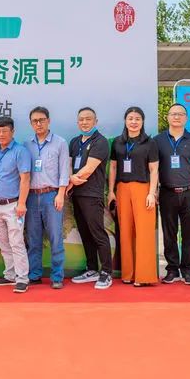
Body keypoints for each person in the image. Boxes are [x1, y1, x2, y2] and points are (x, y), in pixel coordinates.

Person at [154, 103, 190, 285]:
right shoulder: (158, 140)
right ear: (167, 117)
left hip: (189, 192)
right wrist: (154, 191)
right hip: (167, 192)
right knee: (169, 233)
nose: (176, 117)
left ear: (186, 118)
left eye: (180, 114)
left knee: (189, 234)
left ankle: (188, 270)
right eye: (173, 114)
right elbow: (153, 169)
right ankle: (172, 270)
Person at [108, 107, 159, 286]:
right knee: (125, 232)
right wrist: (111, 191)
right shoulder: (117, 142)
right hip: (122, 189)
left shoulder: (150, 143)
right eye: (130, 118)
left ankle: (144, 276)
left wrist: (152, 193)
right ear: (125, 120)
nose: (134, 122)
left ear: (142, 121)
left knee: (144, 232)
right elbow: (113, 167)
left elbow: (154, 170)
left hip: (143, 188)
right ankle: (128, 274)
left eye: (137, 118)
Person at [68, 107, 113, 290]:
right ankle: (92, 269)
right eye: (81, 119)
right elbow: (68, 164)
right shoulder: (74, 142)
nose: (84, 122)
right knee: (85, 233)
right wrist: (70, 178)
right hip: (76, 195)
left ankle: (106, 272)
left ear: (95, 121)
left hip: (92, 194)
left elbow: (88, 169)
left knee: (97, 233)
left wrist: (70, 179)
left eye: (88, 119)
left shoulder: (100, 142)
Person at [24, 106, 69, 290]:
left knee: (55, 237)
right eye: (35, 121)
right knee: (33, 238)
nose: (39, 124)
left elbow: (64, 171)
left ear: (48, 121)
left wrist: (61, 194)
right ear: (31, 124)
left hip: (52, 195)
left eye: (42, 120)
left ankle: (57, 276)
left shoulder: (60, 143)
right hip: (31, 197)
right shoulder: (26, 144)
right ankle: (34, 274)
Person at [0, 116, 32, 293]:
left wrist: (21, 203)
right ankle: (10, 275)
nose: (1, 134)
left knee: (16, 242)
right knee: (3, 242)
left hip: (13, 205)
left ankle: (22, 278)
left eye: (5, 131)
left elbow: (25, 178)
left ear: (12, 131)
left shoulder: (20, 151)